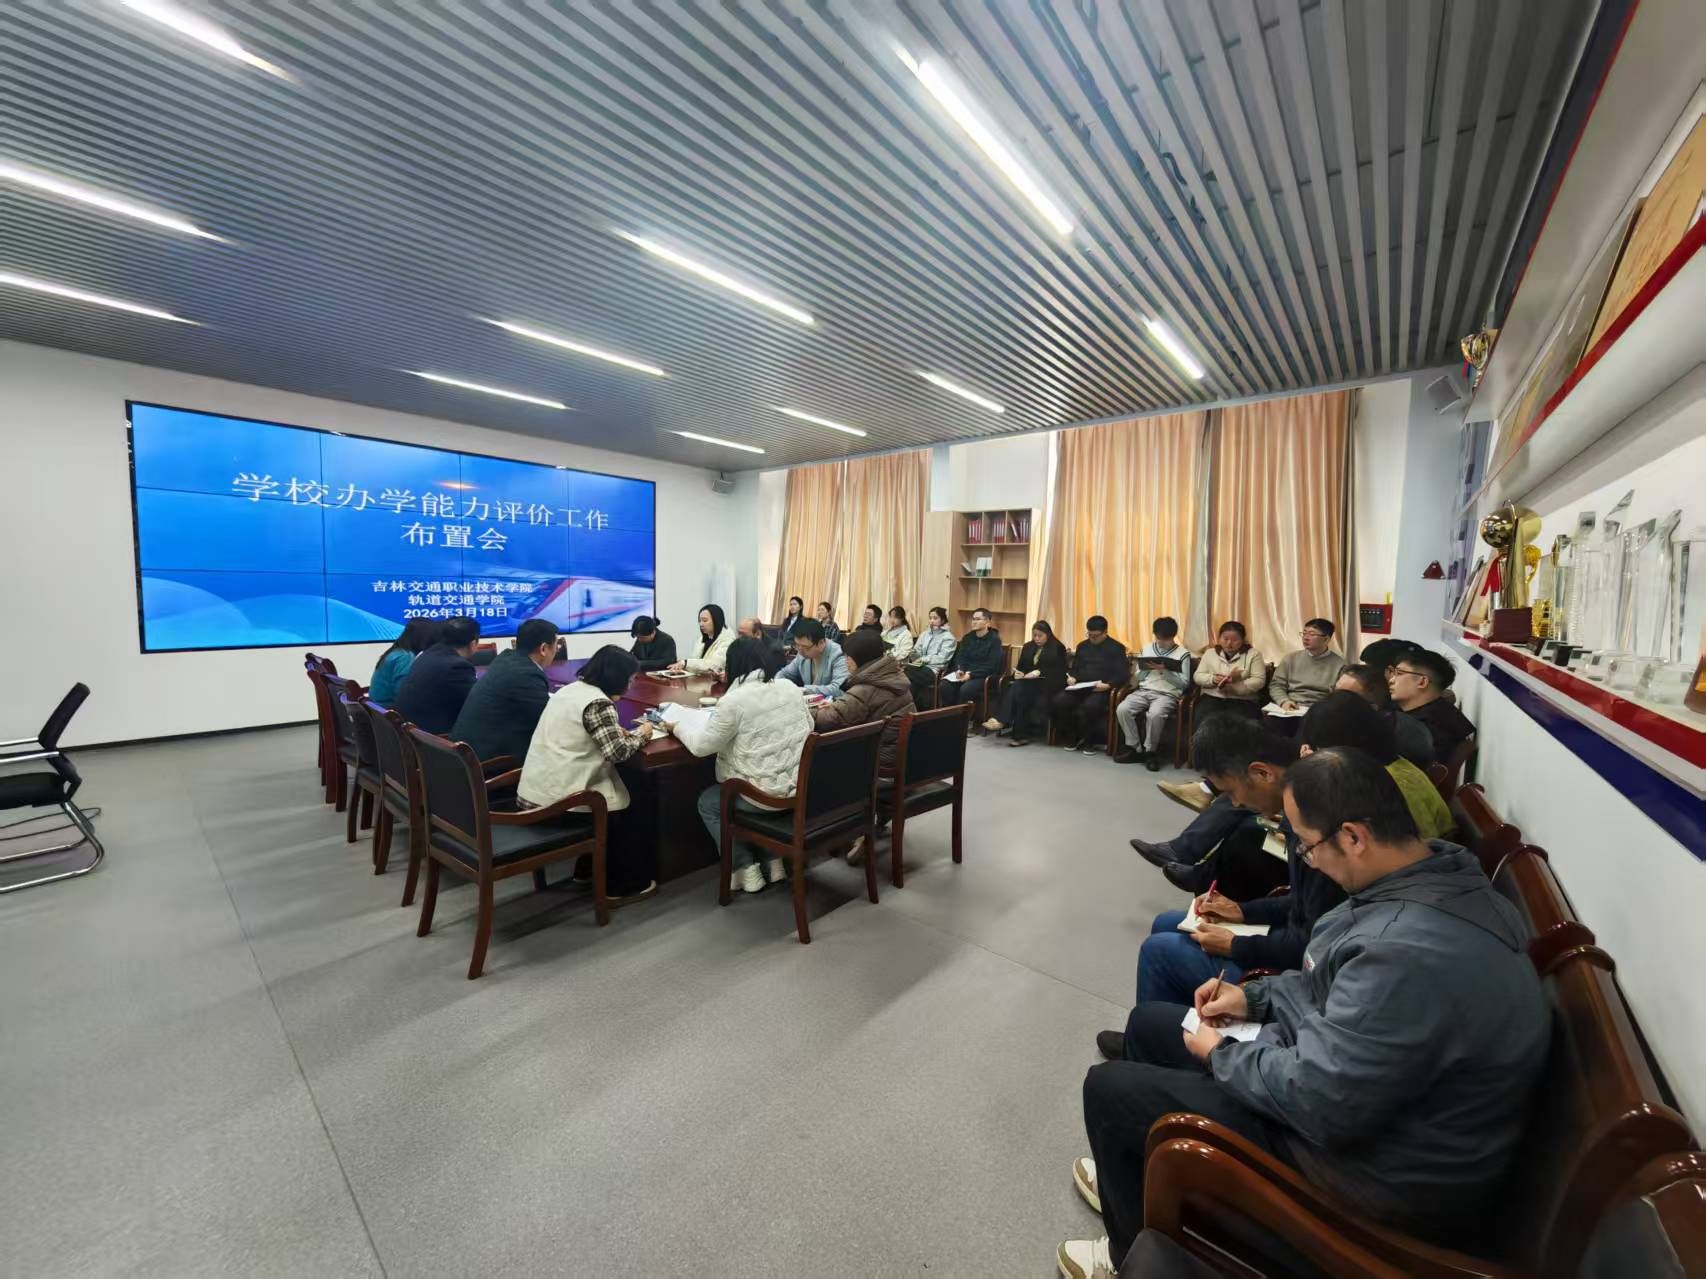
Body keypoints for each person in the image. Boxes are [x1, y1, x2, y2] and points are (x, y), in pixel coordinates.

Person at [1063, 748, 1547, 1276]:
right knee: (1151, 1025)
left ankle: (1124, 1254)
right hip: (1359, 1102)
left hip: (1363, 1174)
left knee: (1109, 1089)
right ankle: (1139, 1173)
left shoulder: (1405, 956)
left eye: (1306, 844)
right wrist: (1253, 999)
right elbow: (1326, 988)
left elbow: (1320, 1101)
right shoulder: (1432, 875)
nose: (1305, 859)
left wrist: (1222, 1054)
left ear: (1354, 836)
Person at [1112, 715, 1340, 1011]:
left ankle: (1162, 1029)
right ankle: (1174, 1021)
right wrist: (1242, 911)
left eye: (1231, 792)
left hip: (1296, 976)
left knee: (1158, 951)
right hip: (1293, 937)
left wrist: (1235, 945)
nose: (1234, 803)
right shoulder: (1303, 809)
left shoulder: (1318, 836)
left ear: (1262, 773)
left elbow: (1310, 946)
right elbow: (1303, 902)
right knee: (1165, 922)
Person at [670, 637, 814, 895]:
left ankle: (744, 868)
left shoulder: (734, 701)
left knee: (710, 802)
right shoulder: (789, 687)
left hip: (763, 797)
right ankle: (773, 860)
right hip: (797, 787)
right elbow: (810, 727)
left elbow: (701, 747)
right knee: (761, 779)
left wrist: (677, 727)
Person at [516, 644, 659, 902]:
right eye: (628, 679)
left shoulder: (570, 690)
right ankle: (619, 886)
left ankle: (586, 870)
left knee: (619, 789)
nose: (629, 685)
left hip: (533, 793)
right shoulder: (598, 703)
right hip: (557, 806)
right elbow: (618, 752)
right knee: (632, 802)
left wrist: (616, 731)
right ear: (616, 678)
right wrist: (643, 733)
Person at [811, 628, 914, 862]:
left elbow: (830, 719)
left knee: (819, 757)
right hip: (903, 756)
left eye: (847, 657)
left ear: (859, 659)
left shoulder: (866, 689)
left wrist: (812, 711)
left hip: (881, 763)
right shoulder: (894, 677)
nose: (845, 662)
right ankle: (865, 819)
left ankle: (852, 826)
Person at [1298, 692, 1452, 839]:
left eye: (1320, 748)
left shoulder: (1376, 787)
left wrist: (1312, 774)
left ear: (1343, 746)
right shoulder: (1394, 762)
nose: (1318, 753)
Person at [449, 618, 559, 764]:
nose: (557, 650)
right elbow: (549, 722)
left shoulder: (506, 658)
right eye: (556, 645)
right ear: (544, 649)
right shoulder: (527, 674)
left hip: (464, 754)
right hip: (487, 764)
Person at [1114, 617, 1192, 770]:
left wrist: (1164, 671)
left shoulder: (1183, 654)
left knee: (1155, 714)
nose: (1161, 642)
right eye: (1159, 638)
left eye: (1166, 639)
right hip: (1144, 690)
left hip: (1167, 694)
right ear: (1155, 634)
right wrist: (1145, 669)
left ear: (1173, 636)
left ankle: (1150, 751)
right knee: (1123, 709)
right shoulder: (1147, 649)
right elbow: (1137, 678)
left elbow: (1184, 684)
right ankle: (1134, 748)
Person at [983, 621, 1067, 746]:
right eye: (1034, 635)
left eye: (1040, 636)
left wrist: (1039, 672)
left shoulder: (1058, 647)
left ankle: (1001, 720)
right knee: (1019, 691)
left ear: (1048, 634)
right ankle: (1020, 736)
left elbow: (1059, 672)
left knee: (1018, 689)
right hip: (1027, 684)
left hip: (1048, 684)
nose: (1036, 638)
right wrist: (1018, 673)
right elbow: (1021, 667)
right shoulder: (1028, 646)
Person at [1051, 616, 1128, 752]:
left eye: (1096, 636)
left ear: (1105, 632)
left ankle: (1089, 742)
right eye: (1089, 635)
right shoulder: (1082, 646)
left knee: (1091, 706)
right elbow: (1075, 668)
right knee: (1059, 701)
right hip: (1080, 686)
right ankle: (1072, 737)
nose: (1092, 638)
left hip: (1101, 689)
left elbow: (1122, 674)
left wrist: (1109, 685)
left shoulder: (1116, 648)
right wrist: (1072, 677)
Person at [393, 615, 482, 734]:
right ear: (473, 644)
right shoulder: (457, 667)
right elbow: (478, 703)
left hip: (409, 731)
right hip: (432, 737)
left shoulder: (428, 653)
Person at [1336, 662, 1434, 766]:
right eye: (1333, 691)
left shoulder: (1403, 736)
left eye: (1343, 697)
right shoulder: (1342, 721)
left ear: (1372, 707)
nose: (1333, 700)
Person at [1389, 649, 1476, 763]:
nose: (1391, 680)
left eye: (1399, 673)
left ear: (1422, 682)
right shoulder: (1440, 710)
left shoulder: (1424, 731)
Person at [1190, 621, 1266, 723]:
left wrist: (1235, 687)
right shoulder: (1210, 653)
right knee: (1206, 723)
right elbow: (1198, 676)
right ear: (1219, 639)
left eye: (1235, 640)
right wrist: (1213, 679)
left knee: (1239, 724)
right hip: (1212, 697)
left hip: (1243, 700)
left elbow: (1259, 680)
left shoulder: (1254, 654)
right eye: (1225, 639)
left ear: (1243, 640)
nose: (1229, 644)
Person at [1267, 618, 1346, 712]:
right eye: (1304, 633)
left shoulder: (1340, 664)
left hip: (1322, 709)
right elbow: (1276, 685)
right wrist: (1284, 701)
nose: (1306, 637)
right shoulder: (1290, 658)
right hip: (1292, 706)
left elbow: (1341, 695)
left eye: (1312, 634)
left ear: (1326, 639)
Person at [937, 607, 1003, 713]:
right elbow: (960, 657)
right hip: (965, 673)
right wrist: (960, 669)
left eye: (978, 619)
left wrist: (971, 675)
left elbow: (992, 665)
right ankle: (948, 715)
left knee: (966, 689)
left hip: (982, 676)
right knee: (945, 685)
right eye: (973, 619)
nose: (974, 622)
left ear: (987, 622)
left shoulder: (994, 640)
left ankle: (963, 718)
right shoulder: (968, 637)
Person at [368, 617, 437, 707]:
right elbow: (404, 694)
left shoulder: (397, 651)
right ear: (421, 638)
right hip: (390, 710)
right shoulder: (405, 657)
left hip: (378, 708)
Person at [776, 618, 849, 698]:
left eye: (806, 647)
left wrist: (804, 690)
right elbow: (785, 673)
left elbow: (839, 689)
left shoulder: (838, 655)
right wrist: (776, 684)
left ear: (821, 643)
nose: (800, 651)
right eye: (797, 645)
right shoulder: (802, 651)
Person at [906, 606, 957, 709]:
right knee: (910, 682)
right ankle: (911, 709)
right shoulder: (925, 634)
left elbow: (942, 658)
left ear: (943, 620)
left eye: (935, 618)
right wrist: (913, 653)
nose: (932, 621)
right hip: (919, 667)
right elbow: (918, 652)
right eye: (930, 618)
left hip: (935, 671)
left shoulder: (949, 638)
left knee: (904, 670)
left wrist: (923, 659)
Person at [667, 604, 733, 675]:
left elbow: (715, 664)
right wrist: (682, 666)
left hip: (715, 681)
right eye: (699, 621)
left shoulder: (728, 640)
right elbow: (696, 662)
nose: (701, 624)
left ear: (716, 620)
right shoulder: (702, 639)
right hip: (701, 679)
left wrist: (686, 663)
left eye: (705, 620)